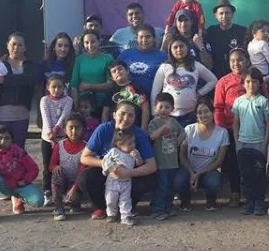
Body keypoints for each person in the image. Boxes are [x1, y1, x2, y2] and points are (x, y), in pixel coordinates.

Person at [79, 101, 157, 220]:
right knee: (85, 177)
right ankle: (102, 208)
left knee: (148, 179)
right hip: (107, 170)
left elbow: (151, 166)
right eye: (122, 114)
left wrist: (128, 173)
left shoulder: (139, 134)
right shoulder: (103, 129)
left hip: (129, 173)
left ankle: (127, 208)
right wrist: (108, 165)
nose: (125, 119)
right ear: (114, 114)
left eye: (130, 115)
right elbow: (84, 157)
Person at [233, 67, 269, 216]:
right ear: (243, 83)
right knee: (246, 175)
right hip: (243, 143)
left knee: (259, 174)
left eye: (254, 82)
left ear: (260, 83)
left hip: (258, 143)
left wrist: (265, 142)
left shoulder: (263, 101)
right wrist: (237, 141)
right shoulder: (238, 101)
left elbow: (268, 123)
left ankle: (259, 202)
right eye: (248, 81)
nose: (251, 85)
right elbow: (235, 122)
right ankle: (249, 201)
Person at [213, 48, 251, 207]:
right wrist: (221, 130)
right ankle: (235, 193)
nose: (236, 63)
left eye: (240, 60)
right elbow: (218, 107)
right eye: (232, 61)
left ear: (247, 61)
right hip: (229, 128)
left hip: (252, 128)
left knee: (251, 161)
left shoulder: (254, 79)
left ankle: (252, 194)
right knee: (233, 162)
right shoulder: (223, 82)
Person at [0, 126, 44, 222]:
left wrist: (24, 180)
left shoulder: (19, 152)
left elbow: (33, 169)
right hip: (4, 186)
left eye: (7, 138)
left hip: (21, 185)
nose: (3, 142)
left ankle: (18, 198)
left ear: (11, 140)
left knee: (39, 201)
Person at [151, 37, 217, 128]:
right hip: (168, 115)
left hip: (190, 115)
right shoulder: (165, 67)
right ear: (170, 50)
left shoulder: (195, 65)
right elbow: (155, 92)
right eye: (175, 47)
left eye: (181, 46)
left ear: (187, 47)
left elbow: (213, 80)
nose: (179, 49)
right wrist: (154, 113)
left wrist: (199, 93)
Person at [176, 99, 229, 211]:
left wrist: (199, 173)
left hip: (209, 170)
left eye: (206, 111)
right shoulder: (189, 129)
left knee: (214, 183)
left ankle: (211, 199)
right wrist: (192, 173)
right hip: (189, 169)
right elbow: (182, 156)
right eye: (200, 112)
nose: (203, 115)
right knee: (178, 182)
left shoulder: (222, 132)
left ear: (213, 112)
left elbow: (219, 161)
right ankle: (185, 201)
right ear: (196, 115)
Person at [148, 92, 185, 220]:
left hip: (173, 161)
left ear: (172, 109)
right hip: (160, 162)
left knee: (170, 186)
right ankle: (157, 209)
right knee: (162, 186)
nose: (163, 110)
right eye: (160, 107)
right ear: (155, 108)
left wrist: (177, 141)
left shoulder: (174, 122)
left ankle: (168, 207)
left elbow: (183, 133)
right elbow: (152, 136)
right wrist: (162, 129)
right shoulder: (154, 122)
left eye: (167, 107)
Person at [39, 74, 73, 202]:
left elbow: (64, 117)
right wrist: (51, 135)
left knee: (61, 165)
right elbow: (46, 118)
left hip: (62, 138)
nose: (56, 90)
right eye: (53, 87)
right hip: (47, 138)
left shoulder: (68, 100)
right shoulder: (44, 100)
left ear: (64, 88)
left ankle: (61, 190)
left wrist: (56, 131)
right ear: (48, 87)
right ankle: (47, 191)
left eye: (60, 87)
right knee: (47, 165)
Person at [48, 113, 87, 221]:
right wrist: (55, 167)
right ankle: (58, 207)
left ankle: (74, 203)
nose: (74, 131)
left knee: (81, 184)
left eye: (77, 127)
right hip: (62, 181)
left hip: (77, 184)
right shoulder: (59, 146)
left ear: (83, 129)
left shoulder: (86, 147)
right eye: (71, 127)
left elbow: (83, 170)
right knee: (57, 173)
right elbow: (51, 166)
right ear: (65, 130)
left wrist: (74, 188)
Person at [101, 128, 138, 225]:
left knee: (125, 200)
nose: (133, 145)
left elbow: (139, 164)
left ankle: (126, 216)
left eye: (133, 142)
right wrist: (107, 169)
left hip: (126, 181)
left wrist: (137, 157)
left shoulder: (133, 153)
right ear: (119, 144)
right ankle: (111, 213)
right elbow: (105, 161)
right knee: (110, 198)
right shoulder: (114, 152)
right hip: (113, 181)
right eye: (129, 144)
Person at [205, 0, 248, 78]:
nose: (224, 16)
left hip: (237, 76)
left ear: (232, 14)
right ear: (216, 15)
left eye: (227, 13)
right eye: (221, 13)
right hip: (215, 75)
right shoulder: (211, 31)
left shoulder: (242, 31)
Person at [70, 30, 114, 108]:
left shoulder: (108, 58)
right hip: (84, 106)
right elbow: (74, 86)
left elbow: (110, 85)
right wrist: (76, 107)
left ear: (99, 42)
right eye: (86, 43)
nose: (90, 46)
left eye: (93, 42)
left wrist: (89, 86)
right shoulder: (79, 59)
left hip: (103, 104)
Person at [102, 60, 150, 128]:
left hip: (134, 126)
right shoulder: (110, 90)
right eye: (114, 71)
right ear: (111, 78)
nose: (118, 72)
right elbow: (105, 113)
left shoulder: (136, 88)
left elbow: (145, 109)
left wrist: (143, 128)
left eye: (120, 69)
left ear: (127, 71)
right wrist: (105, 128)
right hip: (115, 128)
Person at [118, 25, 166, 93]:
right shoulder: (125, 54)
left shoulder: (163, 56)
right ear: (136, 39)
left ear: (154, 38)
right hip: (127, 96)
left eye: (148, 37)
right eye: (141, 37)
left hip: (153, 96)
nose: (144, 40)